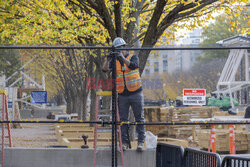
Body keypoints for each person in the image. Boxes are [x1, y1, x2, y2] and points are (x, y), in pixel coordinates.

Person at [102, 37, 145, 152]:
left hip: (136, 92)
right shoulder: (114, 61)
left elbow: (133, 66)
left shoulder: (133, 57)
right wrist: (108, 59)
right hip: (122, 94)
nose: (119, 51)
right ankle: (124, 143)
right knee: (123, 120)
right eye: (117, 49)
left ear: (125, 47)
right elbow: (104, 70)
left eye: (121, 48)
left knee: (139, 118)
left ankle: (141, 142)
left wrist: (122, 59)